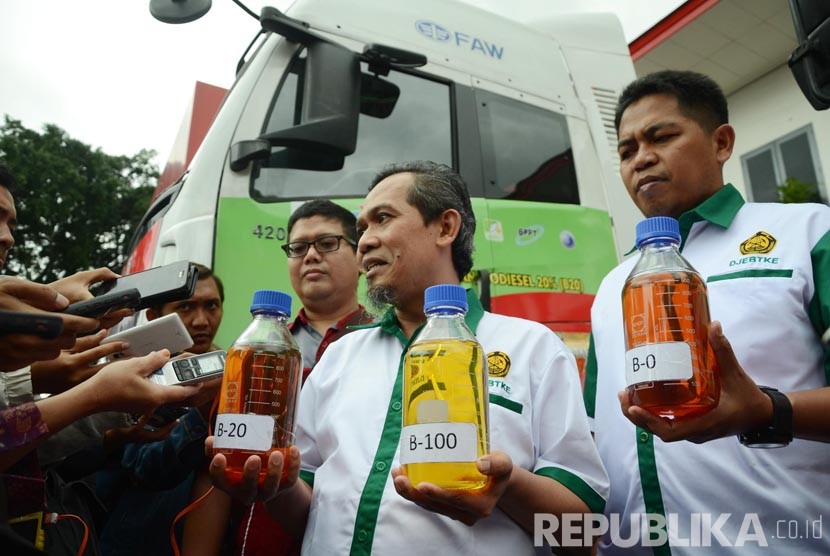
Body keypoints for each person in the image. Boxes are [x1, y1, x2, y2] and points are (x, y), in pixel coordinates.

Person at [207, 161, 609, 555]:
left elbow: (583, 531)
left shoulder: (532, 347)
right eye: (362, 228)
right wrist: (275, 486)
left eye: (383, 219)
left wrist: (508, 486)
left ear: (445, 228)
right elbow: (311, 513)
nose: (363, 241)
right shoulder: (340, 356)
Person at [585, 70, 830, 554]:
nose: (642, 158)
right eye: (627, 150)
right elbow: (596, 435)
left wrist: (768, 410)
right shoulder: (613, 285)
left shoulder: (806, 233)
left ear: (721, 143)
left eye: (662, 136)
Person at [185, 200, 374, 556]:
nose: (311, 256)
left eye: (327, 243)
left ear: (361, 257)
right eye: (298, 247)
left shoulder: (386, 346)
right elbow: (216, 468)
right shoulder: (257, 352)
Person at [98, 264, 226, 556]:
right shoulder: (132, 380)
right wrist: (202, 411)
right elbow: (147, 469)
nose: (202, 320)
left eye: (212, 305)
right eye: (186, 307)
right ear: (155, 317)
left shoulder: (233, 371)